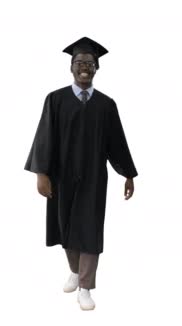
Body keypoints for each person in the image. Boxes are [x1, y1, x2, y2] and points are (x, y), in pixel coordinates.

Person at [24, 37, 138, 311]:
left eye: (89, 63)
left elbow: (117, 142)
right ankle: (74, 271)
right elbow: (44, 138)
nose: (84, 67)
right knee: (65, 226)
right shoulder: (55, 99)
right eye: (79, 63)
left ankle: (85, 286)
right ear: (71, 67)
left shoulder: (106, 105)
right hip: (61, 177)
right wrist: (41, 173)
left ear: (97, 68)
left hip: (93, 179)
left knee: (90, 230)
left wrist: (128, 174)